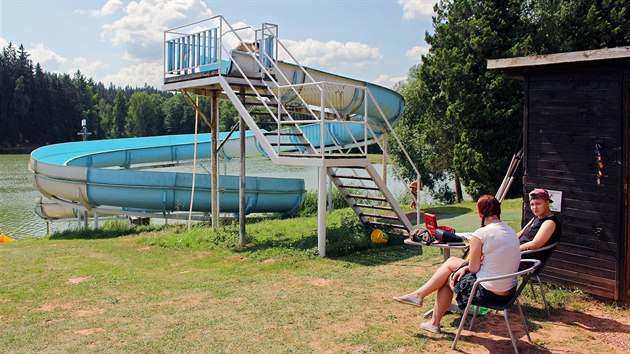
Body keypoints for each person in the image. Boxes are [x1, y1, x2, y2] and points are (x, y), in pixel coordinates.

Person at [393, 195, 521, 334]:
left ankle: (432, 319)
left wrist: (467, 268)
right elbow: (492, 260)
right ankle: (419, 297)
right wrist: (466, 267)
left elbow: (474, 268)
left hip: (490, 293)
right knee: (451, 262)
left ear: (480, 213)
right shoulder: (510, 231)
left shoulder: (481, 234)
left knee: (448, 279)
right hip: (509, 292)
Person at [518, 188, 562, 261]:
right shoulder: (536, 218)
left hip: (526, 261)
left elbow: (535, 245)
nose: (534, 207)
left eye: (538, 204)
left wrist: (512, 250)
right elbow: (520, 233)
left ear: (547, 203)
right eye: (532, 204)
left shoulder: (549, 223)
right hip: (517, 255)